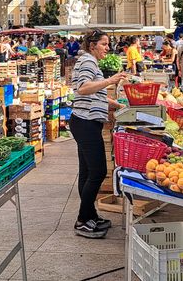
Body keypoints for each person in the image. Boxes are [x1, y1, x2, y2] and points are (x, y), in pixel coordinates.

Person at [70, 30, 129, 238]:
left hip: (85, 122)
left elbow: (95, 94)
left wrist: (116, 104)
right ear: (92, 45)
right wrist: (111, 80)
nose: (107, 48)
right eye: (104, 44)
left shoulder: (89, 61)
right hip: (85, 123)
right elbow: (84, 88)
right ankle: (83, 220)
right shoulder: (88, 61)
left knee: (87, 172)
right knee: (97, 172)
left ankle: (90, 214)